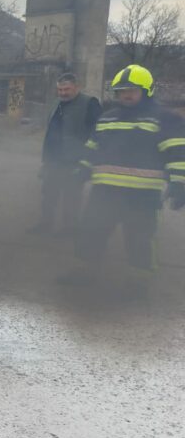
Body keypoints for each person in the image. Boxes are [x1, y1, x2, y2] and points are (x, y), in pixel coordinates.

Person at [61, 65, 185, 292]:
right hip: (105, 190)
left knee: (140, 239)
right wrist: (82, 170)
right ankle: (84, 271)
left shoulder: (164, 119)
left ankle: (139, 282)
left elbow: (178, 153)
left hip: (143, 195)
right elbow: (93, 147)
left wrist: (180, 184)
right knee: (91, 231)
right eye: (121, 91)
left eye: (132, 90)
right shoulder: (107, 118)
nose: (126, 95)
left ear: (147, 90)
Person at [28, 72, 101, 235]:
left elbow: (98, 132)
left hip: (74, 160)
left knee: (72, 196)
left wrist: (87, 159)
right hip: (53, 159)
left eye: (66, 89)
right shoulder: (56, 103)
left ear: (77, 87)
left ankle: (70, 228)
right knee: (48, 194)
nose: (62, 93)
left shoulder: (89, 103)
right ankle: (45, 224)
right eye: (60, 90)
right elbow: (50, 131)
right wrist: (46, 159)